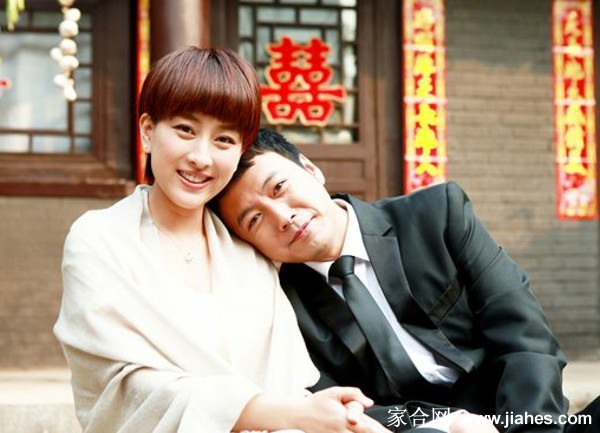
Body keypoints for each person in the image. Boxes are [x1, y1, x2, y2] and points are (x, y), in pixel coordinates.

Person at [53, 47, 389, 433]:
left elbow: (289, 386)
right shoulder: (99, 240)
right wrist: (286, 413)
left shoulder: (249, 251)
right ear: (148, 131)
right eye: (185, 130)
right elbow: (126, 388)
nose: (201, 157)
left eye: (224, 140)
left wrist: (327, 414)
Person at [213, 128, 600, 433]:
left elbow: (524, 336)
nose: (283, 217)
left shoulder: (437, 214)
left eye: (279, 188)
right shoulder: (282, 304)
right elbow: (342, 407)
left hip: (517, 412)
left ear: (310, 169)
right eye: (254, 219)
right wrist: (448, 424)